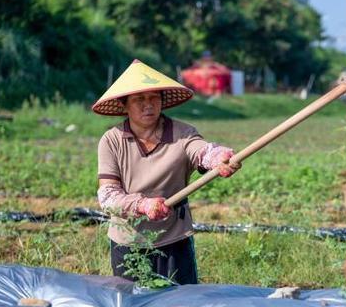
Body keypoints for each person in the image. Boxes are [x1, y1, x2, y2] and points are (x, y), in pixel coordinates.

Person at [92, 59, 241, 284]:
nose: (148, 104)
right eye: (139, 99)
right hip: (127, 240)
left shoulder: (183, 133)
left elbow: (201, 151)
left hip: (174, 239)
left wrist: (218, 157)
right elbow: (108, 196)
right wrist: (143, 205)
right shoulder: (111, 141)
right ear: (124, 105)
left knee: (181, 305)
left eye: (154, 97)